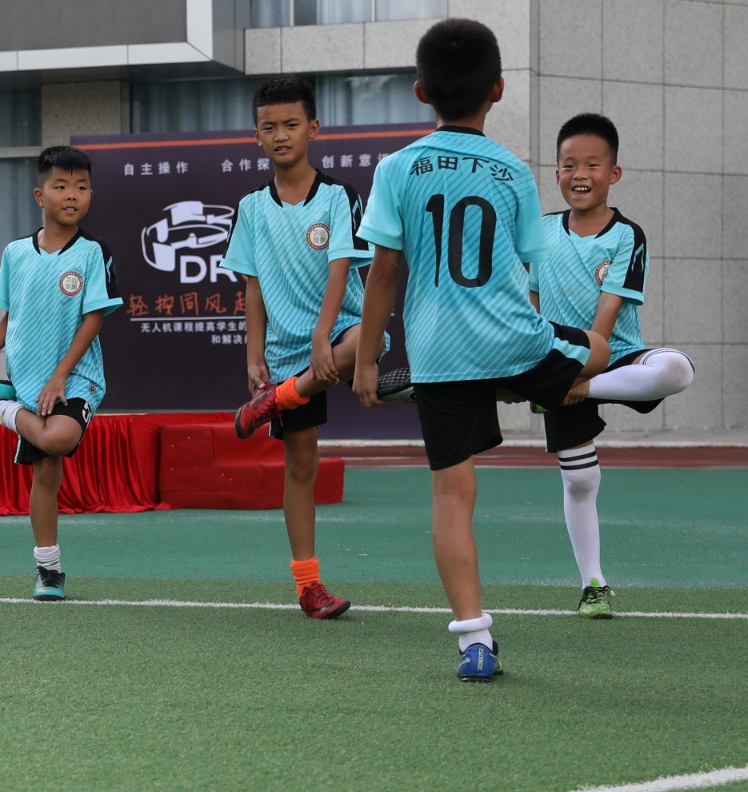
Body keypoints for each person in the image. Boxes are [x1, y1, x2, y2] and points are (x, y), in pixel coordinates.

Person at [350, 18, 618, 681]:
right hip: (513, 339)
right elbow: (525, 275)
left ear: (420, 91)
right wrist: (526, 360)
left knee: (452, 494)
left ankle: (474, 640)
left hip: (438, 353)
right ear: (497, 88)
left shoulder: (397, 167)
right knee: (599, 352)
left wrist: (366, 360)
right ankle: (566, 384)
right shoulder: (513, 172)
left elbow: (383, 273)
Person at [225, 74, 389, 620]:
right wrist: (254, 357)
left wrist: (323, 335)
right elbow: (252, 287)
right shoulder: (251, 207)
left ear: (313, 128)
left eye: (291, 124)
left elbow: (341, 267)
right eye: (269, 127)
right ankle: (308, 586)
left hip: (337, 333)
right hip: (287, 352)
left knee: (368, 339)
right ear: (256, 136)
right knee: (301, 465)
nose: (281, 135)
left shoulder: (340, 196)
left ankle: (279, 399)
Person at [529, 112, 694, 620]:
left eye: (592, 164)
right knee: (580, 482)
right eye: (568, 165)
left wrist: (579, 380)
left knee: (678, 370)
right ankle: (593, 585)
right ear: (557, 172)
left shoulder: (627, 236)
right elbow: (531, 304)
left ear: (614, 173)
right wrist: (543, 364)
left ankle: (570, 390)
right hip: (558, 360)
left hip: (614, 355)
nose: (579, 174)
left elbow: (607, 317)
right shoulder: (540, 230)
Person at [0, 145, 122, 601]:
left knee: (60, 438)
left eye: (81, 187)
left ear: (91, 195)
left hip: (76, 378)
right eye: (61, 186)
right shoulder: (16, 253)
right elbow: (11, 316)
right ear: (40, 196)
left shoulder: (93, 252)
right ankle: (49, 571)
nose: (72, 195)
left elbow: (94, 319)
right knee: (46, 474)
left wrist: (60, 377)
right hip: (28, 380)